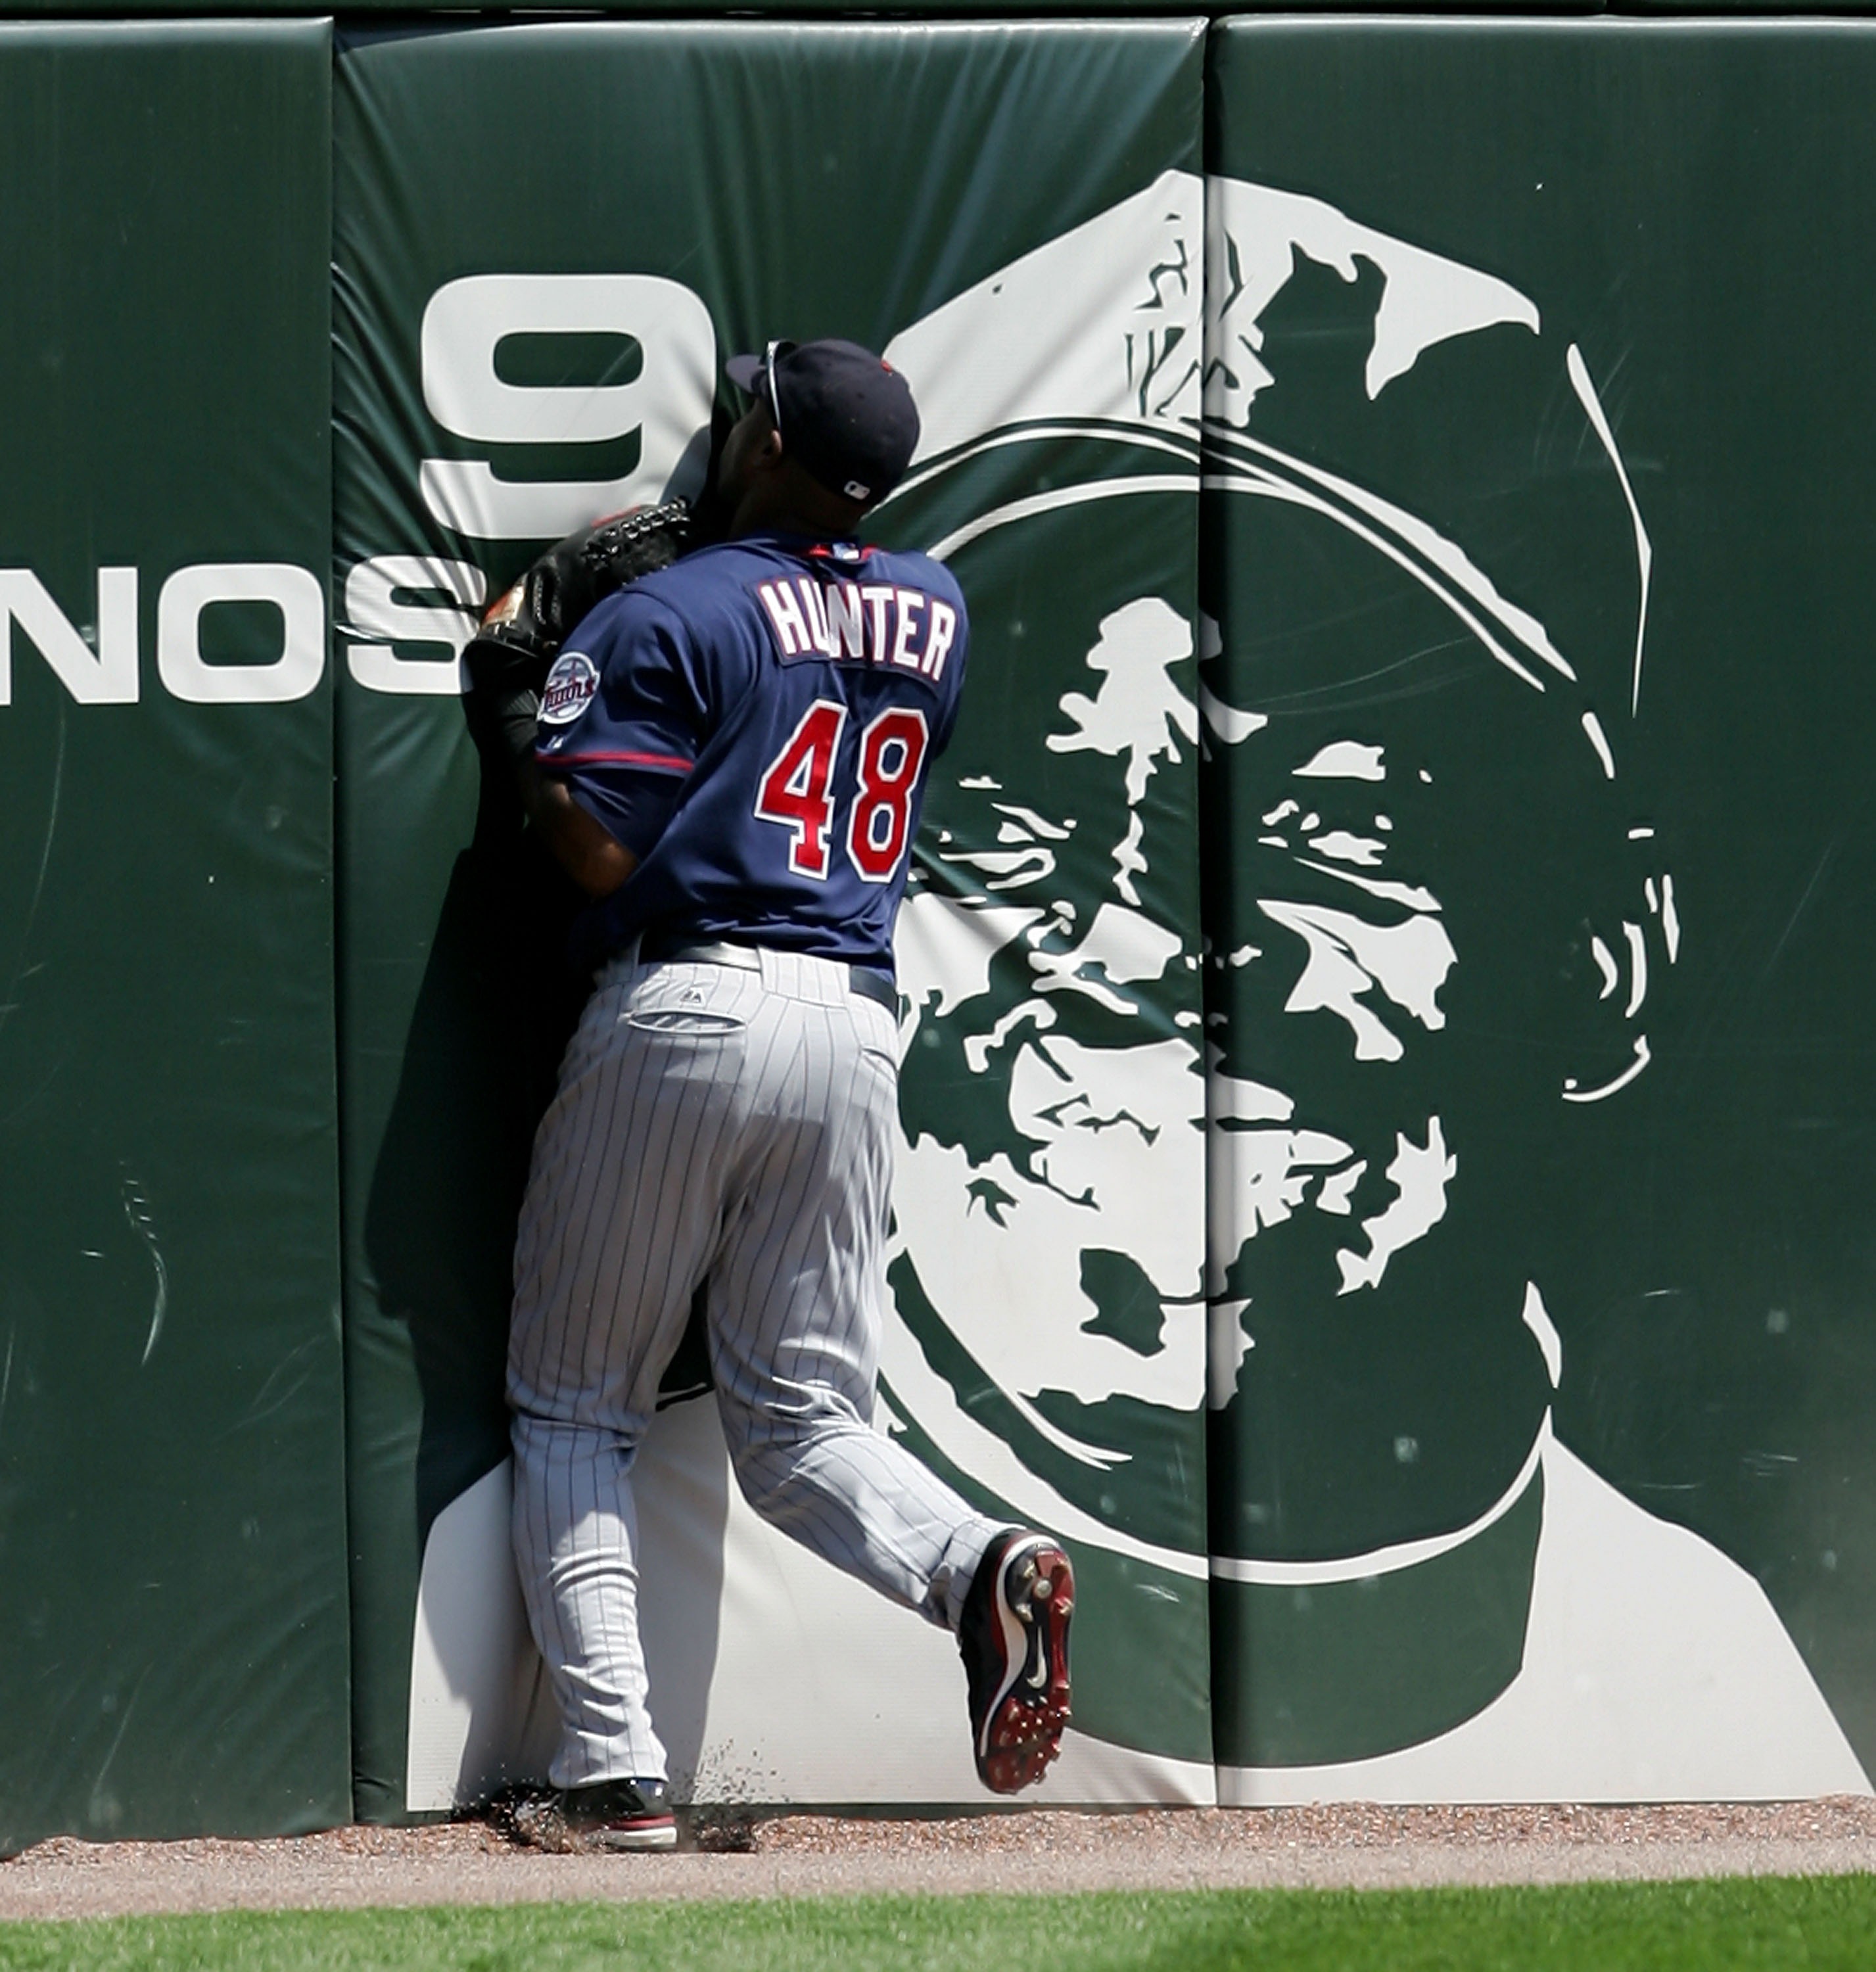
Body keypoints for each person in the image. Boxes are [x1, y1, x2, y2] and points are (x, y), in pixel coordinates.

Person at [483, 338, 1075, 1851]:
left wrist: (515, 695)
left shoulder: (669, 607)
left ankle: (615, 1776)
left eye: (742, 412)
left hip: (687, 1003)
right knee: (804, 1419)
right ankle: (975, 1561)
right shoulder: (932, 607)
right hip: (853, 1024)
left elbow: (596, 846)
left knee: (572, 1407)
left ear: (761, 438)